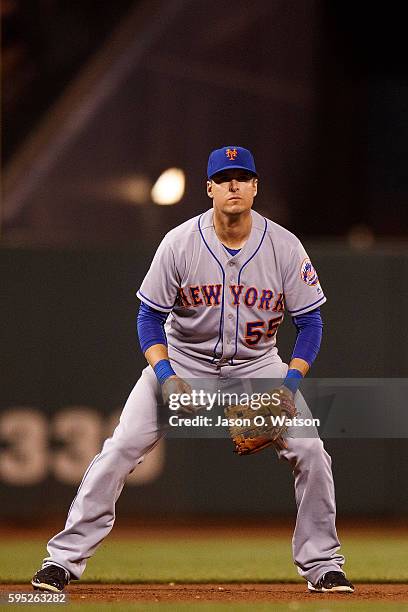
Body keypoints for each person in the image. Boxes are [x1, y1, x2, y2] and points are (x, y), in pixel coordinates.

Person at [32, 146, 354, 594]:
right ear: (210, 189)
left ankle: (323, 565)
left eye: (243, 177)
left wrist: (289, 383)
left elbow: (311, 322)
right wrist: (166, 376)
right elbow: (148, 317)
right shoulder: (180, 242)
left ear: (256, 187)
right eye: (225, 178)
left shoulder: (284, 246)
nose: (234, 185)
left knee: (312, 451)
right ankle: (61, 562)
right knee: (120, 448)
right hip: (183, 360)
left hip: (258, 366)